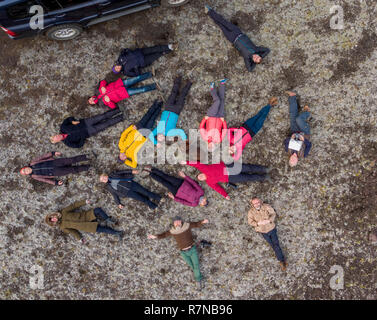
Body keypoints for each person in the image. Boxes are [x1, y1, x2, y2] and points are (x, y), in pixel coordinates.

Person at [148, 216, 209, 290]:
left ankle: (198, 281)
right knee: (192, 267)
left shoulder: (187, 226)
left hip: (192, 250)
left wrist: (203, 221)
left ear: (181, 221)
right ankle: (198, 276)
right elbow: (163, 235)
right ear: (173, 223)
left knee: (196, 266)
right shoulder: (172, 231)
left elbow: (196, 224)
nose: (177, 223)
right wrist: (154, 236)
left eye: (178, 221)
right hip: (183, 253)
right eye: (175, 222)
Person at [205, 5, 270, 72]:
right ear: (259, 55)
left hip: (232, 39)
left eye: (256, 59)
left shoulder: (247, 58)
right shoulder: (256, 49)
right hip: (238, 32)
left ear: (254, 61)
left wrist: (255, 63)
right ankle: (210, 10)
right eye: (258, 57)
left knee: (221, 25)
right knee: (223, 21)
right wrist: (261, 57)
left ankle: (210, 14)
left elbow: (249, 69)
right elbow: (267, 50)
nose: (256, 57)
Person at [45, 199, 124, 242]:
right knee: (103, 229)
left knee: (98, 210)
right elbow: (73, 232)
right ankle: (117, 233)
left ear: (53, 215)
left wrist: (84, 202)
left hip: (86, 216)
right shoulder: (62, 227)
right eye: (52, 220)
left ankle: (108, 220)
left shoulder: (63, 212)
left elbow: (74, 206)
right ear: (53, 223)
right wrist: (79, 239)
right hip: (86, 226)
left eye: (52, 217)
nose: (54, 219)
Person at [184, 161, 271, 199]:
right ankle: (264, 177)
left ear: (201, 173)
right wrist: (225, 195)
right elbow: (218, 189)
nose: (201, 177)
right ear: (202, 180)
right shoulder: (209, 182)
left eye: (200, 175)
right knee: (247, 177)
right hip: (230, 178)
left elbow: (197, 164)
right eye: (200, 178)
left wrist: (186, 162)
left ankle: (264, 169)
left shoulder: (204, 168)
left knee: (247, 168)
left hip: (228, 168)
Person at [149, 76, 191, 147]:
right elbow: (180, 132)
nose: (161, 137)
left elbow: (150, 136)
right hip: (176, 111)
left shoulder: (158, 130)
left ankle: (178, 80)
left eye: (159, 138)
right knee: (182, 96)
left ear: (157, 136)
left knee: (173, 93)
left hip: (167, 109)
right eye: (162, 139)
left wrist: (156, 143)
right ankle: (189, 83)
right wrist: (185, 139)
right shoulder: (170, 133)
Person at [118, 100, 162, 168]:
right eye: (123, 159)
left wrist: (131, 128)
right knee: (152, 119)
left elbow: (124, 134)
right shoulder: (131, 155)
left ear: (119, 154)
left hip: (137, 128)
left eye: (121, 157)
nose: (123, 157)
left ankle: (155, 103)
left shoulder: (121, 145)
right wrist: (125, 161)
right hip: (144, 135)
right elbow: (134, 165)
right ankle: (159, 106)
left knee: (147, 115)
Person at [50, 108, 124, 148]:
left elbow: (68, 119)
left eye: (55, 136)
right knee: (106, 124)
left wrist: (73, 121)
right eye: (56, 138)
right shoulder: (68, 143)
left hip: (85, 122)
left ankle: (118, 109)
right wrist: (82, 137)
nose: (57, 136)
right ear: (58, 141)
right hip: (88, 132)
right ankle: (121, 117)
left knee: (102, 116)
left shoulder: (63, 128)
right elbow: (78, 145)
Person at [248, 198, 287, 271]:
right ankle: (282, 259)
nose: (257, 204)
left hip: (271, 228)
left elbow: (273, 214)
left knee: (276, 244)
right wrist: (258, 223)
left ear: (260, 202)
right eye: (255, 203)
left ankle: (282, 261)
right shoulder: (251, 212)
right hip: (263, 231)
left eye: (258, 202)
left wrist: (269, 220)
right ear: (252, 204)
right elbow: (250, 222)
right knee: (273, 245)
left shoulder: (266, 207)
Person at [88, 72, 156, 109]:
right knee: (140, 90)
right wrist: (109, 102)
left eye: (90, 99)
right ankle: (154, 86)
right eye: (91, 102)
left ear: (91, 97)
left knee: (136, 79)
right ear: (93, 104)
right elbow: (113, 107)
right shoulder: (101, 105)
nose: (91, 100)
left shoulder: (96, 91)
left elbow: (103, 81)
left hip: (119, 84)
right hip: (123, 94)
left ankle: (150, 74)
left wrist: (102, 86)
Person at [20, 152, 90, 186]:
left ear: (25, 167)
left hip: (54, 162)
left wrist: (52, 153)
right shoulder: (34, 176)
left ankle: (87, 156)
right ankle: (87, 167)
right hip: (55, 172)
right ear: (27, 174)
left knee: (71, 160)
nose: (26, 171)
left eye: (25, 169)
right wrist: (56, 183)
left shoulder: (32, 163)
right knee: (72, 170)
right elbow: (45, 180)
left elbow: (42, 157)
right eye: (25, 172)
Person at [284, 91, 312, 167]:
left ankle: (292, 96)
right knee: (299, 119)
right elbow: (309, 145)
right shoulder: (303, 154)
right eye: (294, 162)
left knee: (292, 115)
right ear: (297, 161)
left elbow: (285, 141)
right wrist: (303, 140)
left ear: (289, 158)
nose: (292, 160)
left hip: (294, 131)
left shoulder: (288, 150)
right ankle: (307, 112)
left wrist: (291, 138)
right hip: (304, 132)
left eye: (291, 161)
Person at [199, 79, 228, 151]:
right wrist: (223, 122)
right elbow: (224, 130)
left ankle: (212, 89)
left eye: (209, 147)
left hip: (211, 116)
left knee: (217, 101)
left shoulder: (205, 137)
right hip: (220, 117)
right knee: (222, 100)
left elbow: (201, 128)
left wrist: (205, 119)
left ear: (207, 145)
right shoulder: (219, 140)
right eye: (212, 147)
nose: (211, 146)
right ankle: (222, 83)